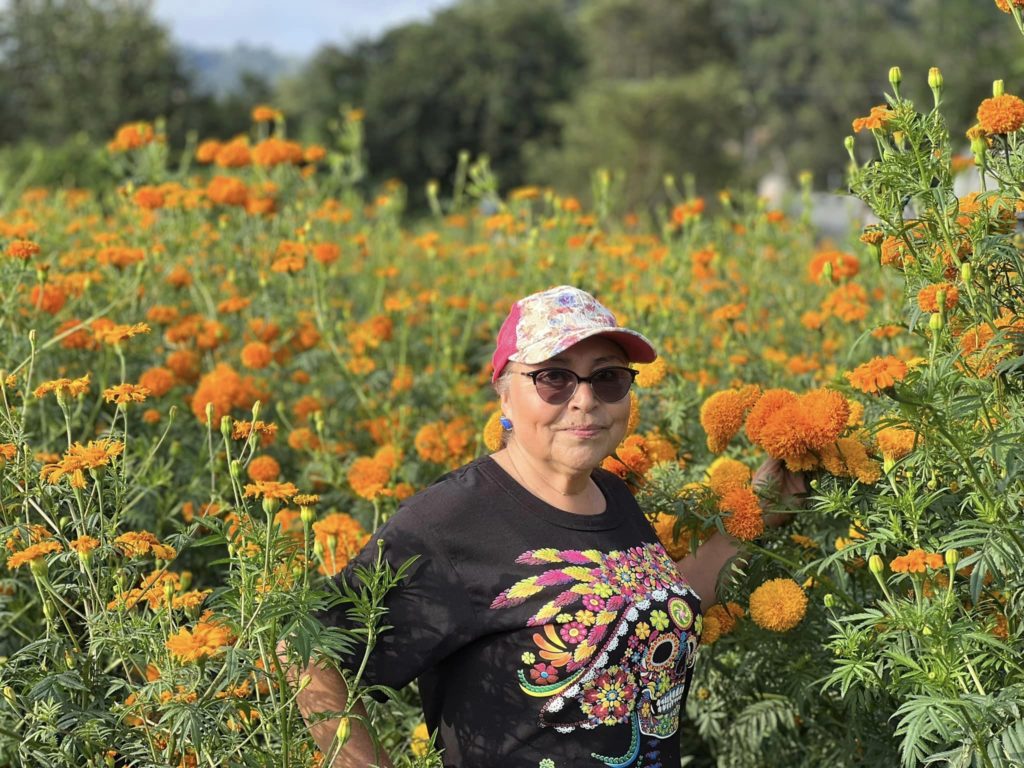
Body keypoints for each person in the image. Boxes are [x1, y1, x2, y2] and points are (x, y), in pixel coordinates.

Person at [288, 285, 805, 768]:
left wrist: (756, 513)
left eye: (608, 377)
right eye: (553, 377)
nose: (585, 399)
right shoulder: (450, 521)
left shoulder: (612, 495)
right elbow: (308, 652)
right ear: (505, 395)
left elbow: (647, 607)